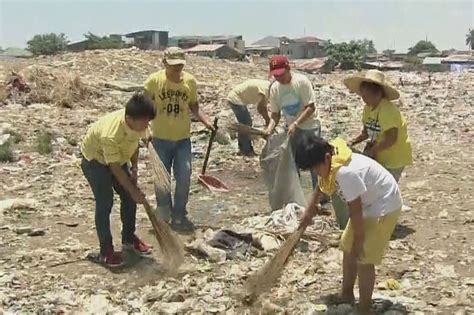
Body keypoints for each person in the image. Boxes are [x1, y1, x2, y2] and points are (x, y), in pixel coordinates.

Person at [296, 135, 402, 314]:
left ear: (327, 158)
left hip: (383, 203)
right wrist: (310, 208)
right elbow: (321, 185)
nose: (315, 172)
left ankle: (364, 308)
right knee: (348, 249)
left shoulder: (346, 173)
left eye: (315, 168)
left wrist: (360, 239)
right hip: (368, 203)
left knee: (364, 258)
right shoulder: (329, 160)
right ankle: (347, 295)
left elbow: (355, 209)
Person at [80, 93, 156, 267]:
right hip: (95, 161)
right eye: (144, 121)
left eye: (148, 121)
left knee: (129, 198)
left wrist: (134, 169)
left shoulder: (140, 123)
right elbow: (113, 167)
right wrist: (133, 189)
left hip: (120, 159)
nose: (147, 125)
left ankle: (129, 239)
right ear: (129, 118)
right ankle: (105, 251)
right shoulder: (111, 133)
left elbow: (135, 145)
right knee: (105, 201)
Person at [144, 47, 214, 232]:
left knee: (184, 177)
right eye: (173, 65)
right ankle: (164, 213)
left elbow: (194, 106)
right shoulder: (154, 81)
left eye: (180, 65)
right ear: (164, 63)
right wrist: (144, 129)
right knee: (162, 180)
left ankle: (179, 214)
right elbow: (143, 106)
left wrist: (206, 121)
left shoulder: (189, 81)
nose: (177, 69)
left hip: (183, 140)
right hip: (160, 139)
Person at [264, 55, 322, 191]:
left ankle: (320, 197)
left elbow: (310, 107)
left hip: (309, 127)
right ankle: (296, 194)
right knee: (292, 163)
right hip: (291, 129)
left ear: (288, 68)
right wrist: (269, 129)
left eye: (281, 75)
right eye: (275, 76)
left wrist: (296, 123)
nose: (279, 79)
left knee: (315, 163)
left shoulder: (301, 82)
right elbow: (275, 114)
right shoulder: (275, 89)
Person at [345, 70, 412, 183]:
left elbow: (391, 139)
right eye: (362, 96)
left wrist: (372, 151)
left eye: (367, 96)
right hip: (380, 154)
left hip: (394, 157)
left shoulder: (387, 110)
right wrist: (351, 142)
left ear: (378, 93)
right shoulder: (368, 108)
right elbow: (366, 133)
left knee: (386, 186)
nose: (364, 99)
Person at [226, 79, 271, 156]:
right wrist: (268, 120)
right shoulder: (265, 89)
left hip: (238, 98)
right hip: (235, 99)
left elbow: (263, 107)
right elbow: (260, 107)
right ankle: (245, 150)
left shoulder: (268, 88)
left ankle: (244, 148)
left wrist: (268, 121)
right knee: (246, 124)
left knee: (245, 123)